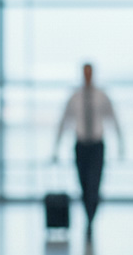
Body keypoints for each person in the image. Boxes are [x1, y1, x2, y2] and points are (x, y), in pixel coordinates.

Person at [53, 63, 124, 235]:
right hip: (81, 146)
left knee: (95, 184)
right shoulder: (75, 97)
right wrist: (56, 147)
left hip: (97, 146)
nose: (87, 76)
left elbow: (114, 119)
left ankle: (90, 221)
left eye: (89, 73)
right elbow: (64, 121)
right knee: (84, 185)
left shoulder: (101, 96)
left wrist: (121, 144)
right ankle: (88, 217)